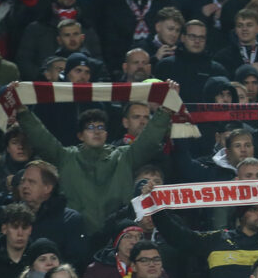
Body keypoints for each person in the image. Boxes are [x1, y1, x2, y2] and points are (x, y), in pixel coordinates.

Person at [13, 83, 178, 235]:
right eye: (90, 128)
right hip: (78, 235)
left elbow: (148, 140)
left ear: (106, 134)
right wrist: (22, 111)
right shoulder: (66, 157)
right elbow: (41, 138)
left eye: (101, 127)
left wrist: (164, 112)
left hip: (118, 236)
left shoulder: (124, 156)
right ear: (80, 135)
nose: (96, 131)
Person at [13, 160, 88, 268]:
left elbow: (76, 262)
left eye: (31, 182)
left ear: (47, 188)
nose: (24, 186)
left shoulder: (70, 220)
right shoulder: (13, 217)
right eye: (22, 181)